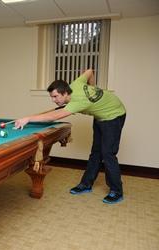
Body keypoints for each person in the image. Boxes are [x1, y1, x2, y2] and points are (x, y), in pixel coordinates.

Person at [14, 69, 126, 204]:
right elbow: (90, 71)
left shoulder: (77, 103)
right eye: (51, 97)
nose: (53, 100)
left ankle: (117, 191)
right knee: (96, 152)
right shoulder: (75, 84)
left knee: (108, 154)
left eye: (55, 97)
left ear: (65, 93)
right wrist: (93, 88)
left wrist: (28, 118)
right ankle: (86, 184)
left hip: (114, 115)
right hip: (101, 115)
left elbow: (52, 117)